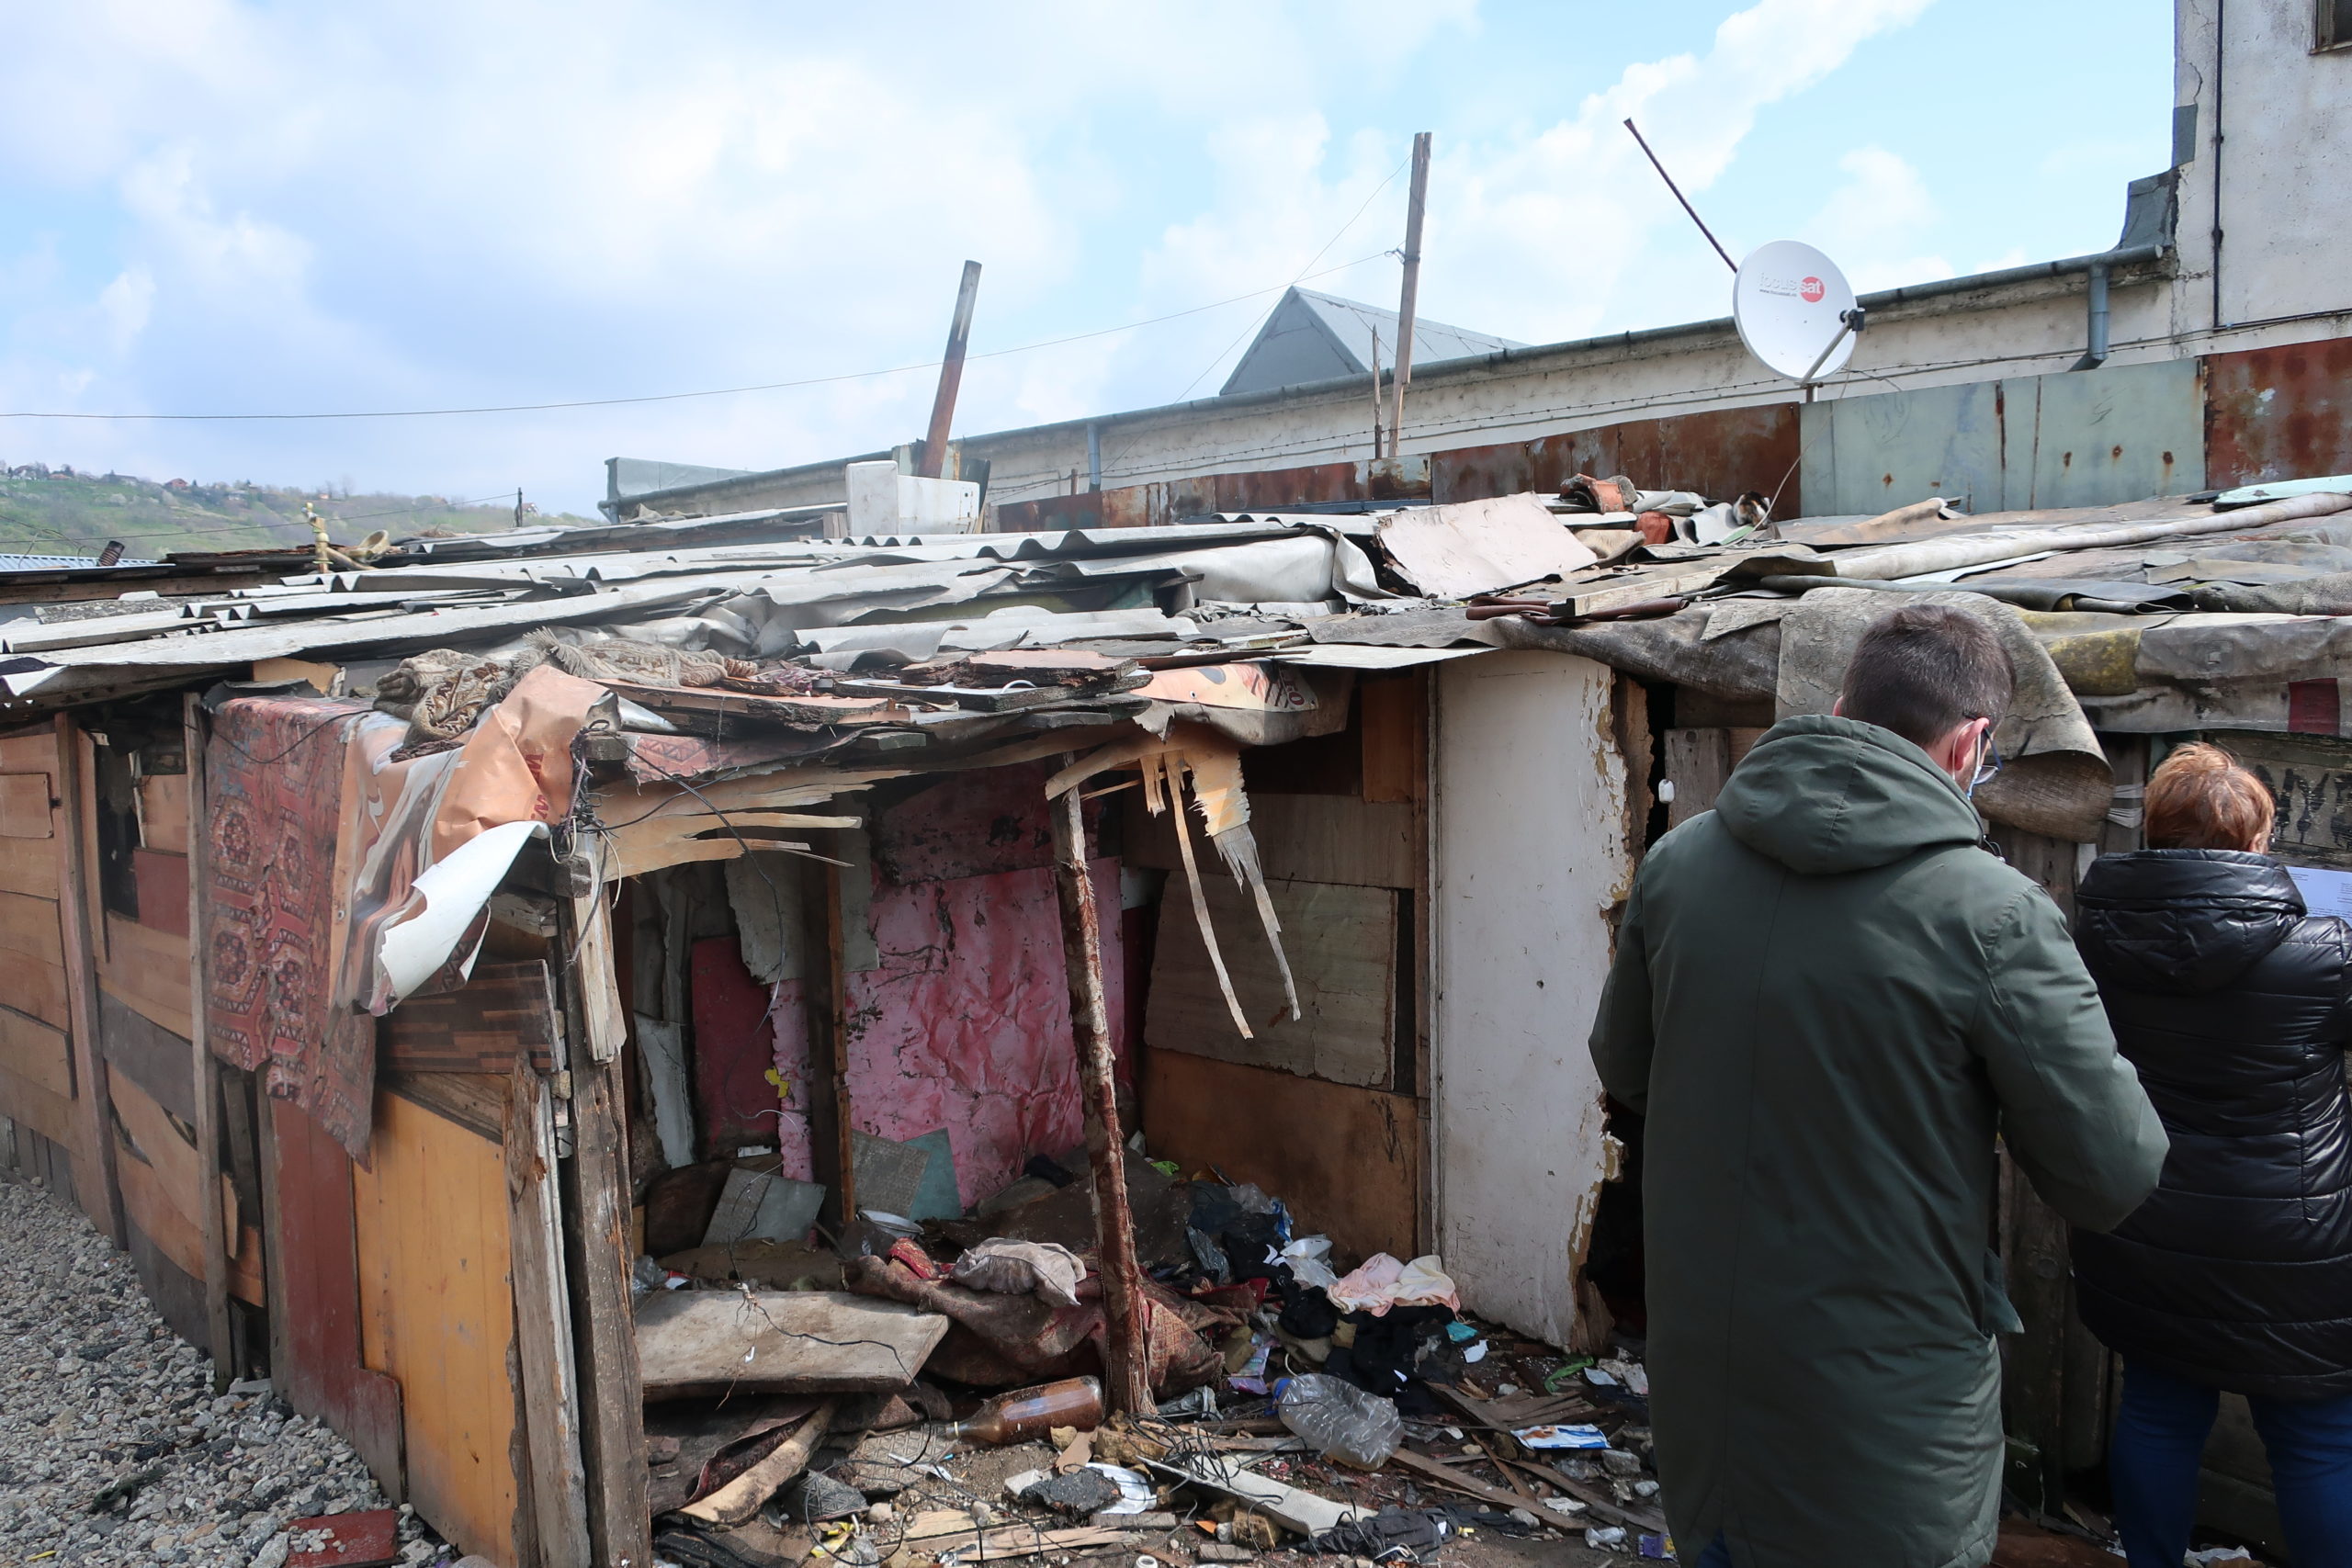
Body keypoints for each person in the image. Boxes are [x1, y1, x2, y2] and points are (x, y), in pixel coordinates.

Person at [1589, 604, 2167, 1568]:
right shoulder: (1992, 915)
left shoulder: (1680, 864)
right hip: (1885, 1426)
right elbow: (2112, 1171)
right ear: (1973, 742)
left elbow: (1625, 1069)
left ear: (1845, 704)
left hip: (1710, 1388)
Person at [2072, 743, 2352, 1568]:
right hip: (2292, 1239)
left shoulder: (2091, 939)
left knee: (2158, 1412)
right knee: (2315, 1439)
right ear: (2259, 841)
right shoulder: (2324, 954)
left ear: (2156, 833)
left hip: (2148, 1220)